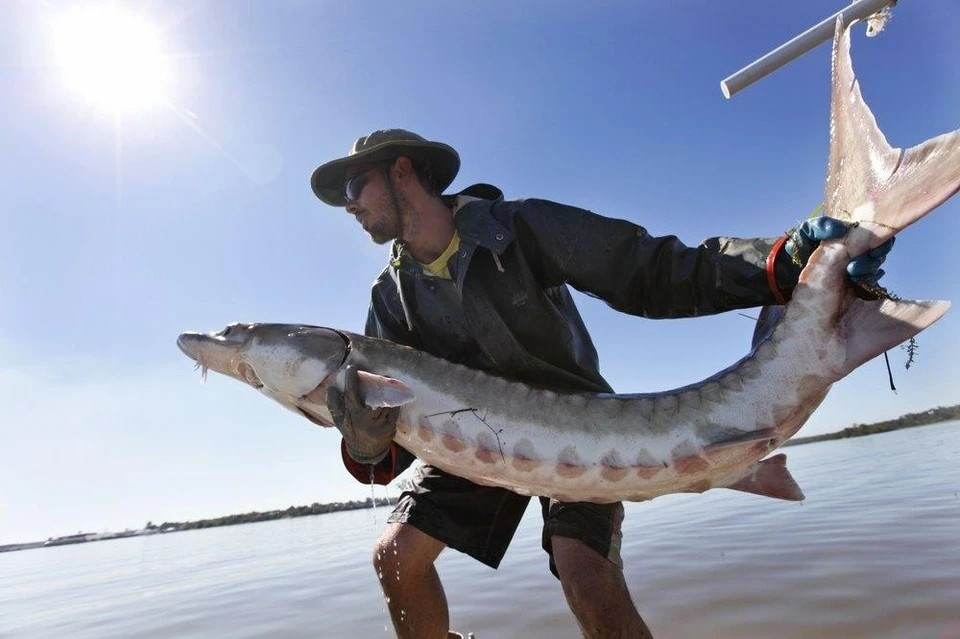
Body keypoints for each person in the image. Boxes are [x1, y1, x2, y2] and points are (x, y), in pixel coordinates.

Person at [310, 129, 891, 639]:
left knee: (585, 575)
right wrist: (363, 446)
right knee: (394, 559)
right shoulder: (389, 298)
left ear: (402, 170)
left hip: (579, 428)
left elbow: (649, 270)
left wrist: (780, 261)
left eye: (354, 186)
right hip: (474, 444)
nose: (348, 205)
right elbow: (384, 435)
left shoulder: (518, 227)